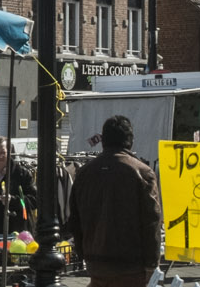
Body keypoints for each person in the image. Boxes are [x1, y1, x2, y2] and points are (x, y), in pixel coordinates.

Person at [68, 115, 162, 287]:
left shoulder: (84, 173)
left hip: (95, 262)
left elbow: (75, 218)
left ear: (104, 140)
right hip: (130, 264)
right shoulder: (143, 173)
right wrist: (152, 263)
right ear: (130, 141)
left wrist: (84, 254)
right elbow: (152, 222)